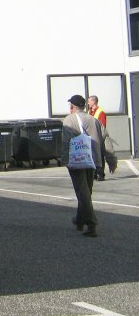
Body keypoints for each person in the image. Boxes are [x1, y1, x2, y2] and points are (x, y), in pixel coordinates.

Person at [62, 94, 103, 237]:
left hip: (76, 160)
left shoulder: (69, 120)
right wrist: (106, 161)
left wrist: (65, 160)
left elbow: (66, 141)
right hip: (91, 160)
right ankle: (80, 220)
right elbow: (103, 139)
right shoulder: (93, 119)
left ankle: (92, 224)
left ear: (72, 106)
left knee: (82, 193)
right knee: (86, 191)